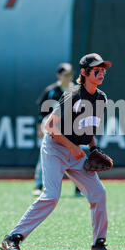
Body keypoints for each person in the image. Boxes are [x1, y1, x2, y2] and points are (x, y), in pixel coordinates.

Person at [0, 53, 114, 250]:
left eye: (103, 69)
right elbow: (50, 126)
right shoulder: (73, 95)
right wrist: (71, 147)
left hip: (76, 150)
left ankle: (99, 244)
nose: (101, 73)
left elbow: (88, 128)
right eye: (96, 69)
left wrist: (94, 148)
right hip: (55, 148)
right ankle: (13, 237)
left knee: (99, 194)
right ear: (84, 72)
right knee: (52, 196)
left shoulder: (101, 98)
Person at [33, 63, 82, 197]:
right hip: (51, 127)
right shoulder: (51, 90)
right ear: (59, 75)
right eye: (66, 74)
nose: (69, 77)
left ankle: (79, 188)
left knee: (75, 156)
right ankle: (38, 185)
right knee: (45, 157)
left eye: (71, 74)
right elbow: (42, 112)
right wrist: (39, 128)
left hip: (70, 128)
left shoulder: (77, 90)